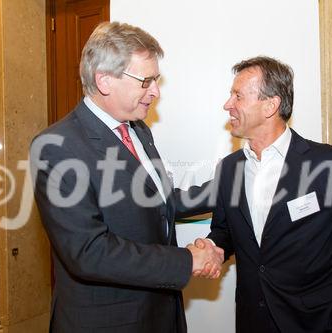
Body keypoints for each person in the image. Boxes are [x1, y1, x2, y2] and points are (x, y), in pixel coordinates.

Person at [31, 21, 222, 333]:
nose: (156, 92)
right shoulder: (57, 147)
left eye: (156, 80)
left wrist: (227, 188)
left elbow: (160, 201)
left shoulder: (139, 130)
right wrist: (186, 261)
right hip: (109, 322)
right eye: (146, 81)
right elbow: (88, 251)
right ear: (105, 81)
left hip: (161, 314)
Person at [195, 56, 332, 333]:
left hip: (316, 323)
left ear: (270, 105)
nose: (227, 104)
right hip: (253, 320)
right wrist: (213, 248)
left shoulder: (327, 165)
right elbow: (225, 230)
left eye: (237, 96)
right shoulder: (230, 169)